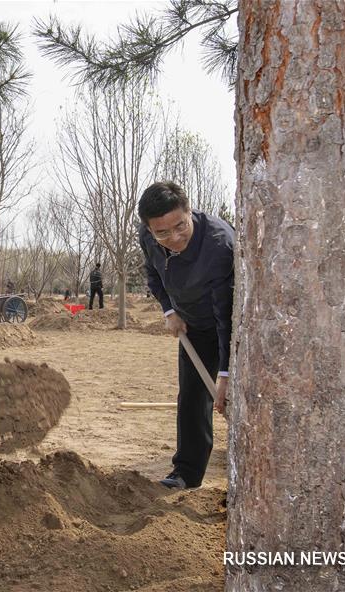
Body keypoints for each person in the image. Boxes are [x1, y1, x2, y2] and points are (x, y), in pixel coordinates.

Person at [138, 181, 233, 490]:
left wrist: (226, 373)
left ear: (190, 211)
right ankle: (186, 474)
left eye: (180, 226)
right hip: (191, 325)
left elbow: (226, 315)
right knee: (192, 397)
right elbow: (154, 274)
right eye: (162, 233)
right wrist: (169, 311)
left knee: (235, 397)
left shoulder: (218, 246)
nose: (174, 238)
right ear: (150, 230)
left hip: (233, 323)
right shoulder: (148, 238)